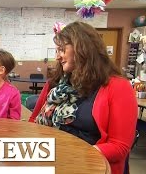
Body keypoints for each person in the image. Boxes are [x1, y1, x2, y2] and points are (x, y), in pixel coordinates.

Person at [28, 22, 137, 174]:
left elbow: (119, 146)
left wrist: (74, 155)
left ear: (82, 48)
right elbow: (33, 122)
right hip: (50, 161)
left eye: (61, 49)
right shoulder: (54, 84)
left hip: (90, 165)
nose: (57, 56)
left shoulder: (118, 87)